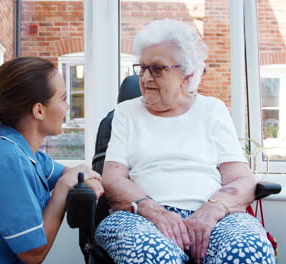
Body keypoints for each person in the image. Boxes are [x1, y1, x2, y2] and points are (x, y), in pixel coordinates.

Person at [95, 19, 276, 264]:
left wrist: (212, 210)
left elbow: (242, 179)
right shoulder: (126, 113)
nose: (146, 77)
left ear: (187, 74)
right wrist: (154, 211)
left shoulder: (212, 110)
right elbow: (113, 178)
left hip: (214, 215)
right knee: (155, 256)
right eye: (142, 67)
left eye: (157, 68)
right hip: (141, 217)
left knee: (249, 248)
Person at [0, 56, 103, 264]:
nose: (67, 107)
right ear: (38, 110)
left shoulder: (20, 148)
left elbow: (68, 173)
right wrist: (62, 190)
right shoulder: (9, 160)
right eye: (62, 98)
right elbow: (33, 254)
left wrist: (85, 176)